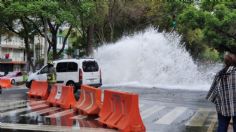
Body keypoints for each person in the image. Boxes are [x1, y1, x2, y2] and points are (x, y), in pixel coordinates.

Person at [206, 46, 236, 132]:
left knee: (222, 127)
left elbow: (212, 93)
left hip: (223, 107)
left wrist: (221, 102)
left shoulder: (219, 74)